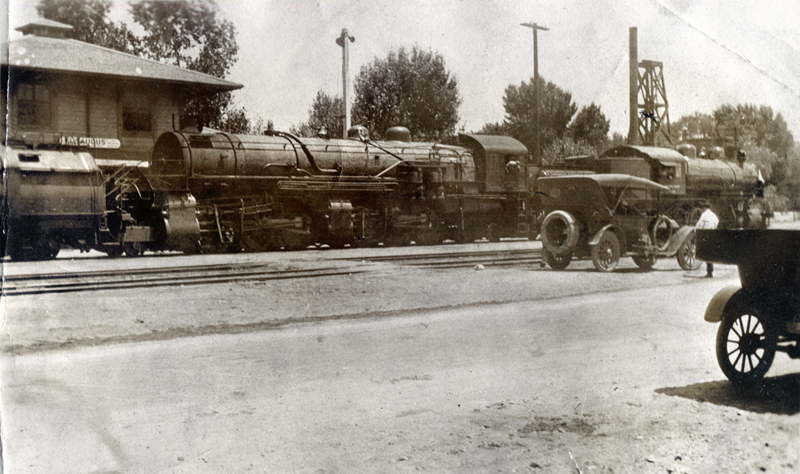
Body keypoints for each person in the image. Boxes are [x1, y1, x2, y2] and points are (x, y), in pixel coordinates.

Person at [695, 205, 719, 277]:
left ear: (704, 208)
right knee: (710, 253)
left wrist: (696, 231)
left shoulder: (704, 215)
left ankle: (709, 272)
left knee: (706, 254)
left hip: (705, 235)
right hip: (712, 234)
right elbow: (717, 222)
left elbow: (699, 225)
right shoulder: (713, 215)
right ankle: (710, 271)